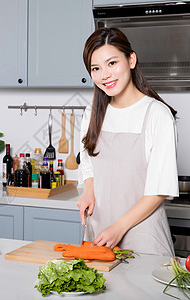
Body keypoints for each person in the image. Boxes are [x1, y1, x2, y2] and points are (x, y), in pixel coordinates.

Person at [77, 28, 179, 256]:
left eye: (112, 63)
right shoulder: (92, 112)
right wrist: (88, 191)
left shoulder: (157, 114)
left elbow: (159, 189)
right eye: (96, 68)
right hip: (99, 231)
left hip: (142, 233)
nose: (105, 75)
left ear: (131, 60)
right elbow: (87, 161)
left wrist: (119, 228)